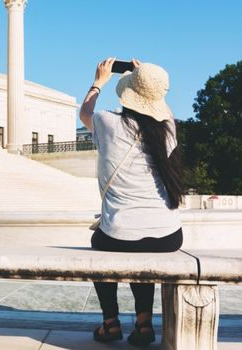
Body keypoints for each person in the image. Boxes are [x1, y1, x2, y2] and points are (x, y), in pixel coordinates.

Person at [79, 57, 185, 347]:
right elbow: (165, 113)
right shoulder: (168, 130)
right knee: (144, 244)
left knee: (103, 245)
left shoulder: (107, 122)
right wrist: (149, 83)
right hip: (169, 236)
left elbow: (85, 112)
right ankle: (143, 323)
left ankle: (110, 323)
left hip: (118, 234)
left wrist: (98, 83)